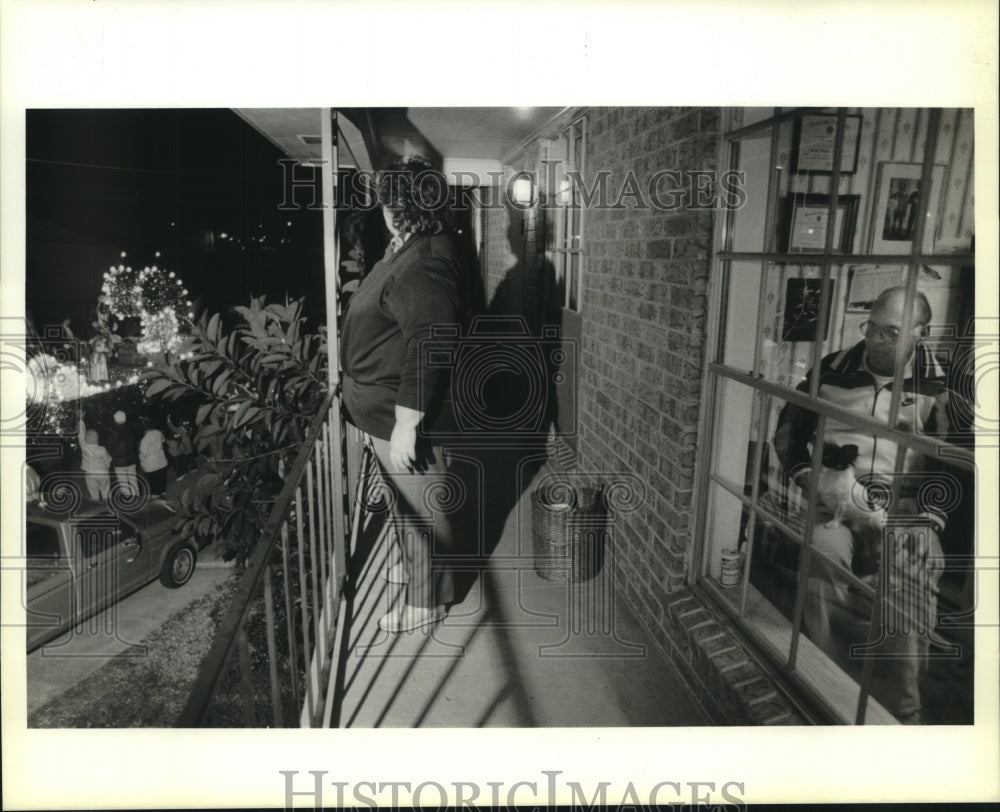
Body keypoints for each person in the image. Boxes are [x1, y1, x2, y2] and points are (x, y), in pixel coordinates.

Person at [773, 287, 956, 724]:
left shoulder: (940, 385)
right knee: (822, 549)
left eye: (890, 332)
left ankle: (902, 708)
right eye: (870, 327)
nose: (876, 339)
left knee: (911, 571)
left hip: (905, 507)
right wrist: (811, 479)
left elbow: (953, 463)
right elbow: (789, 435)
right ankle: (823, 679)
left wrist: (927, 518)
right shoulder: (830, 370)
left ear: (919, 334)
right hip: (833, 497)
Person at [340, 155, 465, 633]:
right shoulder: (404, 248)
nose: (381, 209)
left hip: (402, 414)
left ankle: (427, 600)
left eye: (388, 200)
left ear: (405, 206)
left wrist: (408, 425)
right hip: (380, 410)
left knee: (422, 510)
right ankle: (418, 571)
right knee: (401, 502)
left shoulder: (425, 262)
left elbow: (432, 343)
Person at [106, 410, 139, 498]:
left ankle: (128, 500)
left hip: (119, 463)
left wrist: (114, 457)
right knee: (133, 480)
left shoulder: (112, 433)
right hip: (132, 460)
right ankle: (136, 498)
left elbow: (109, 449)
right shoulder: (131, 431)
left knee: (123, 482)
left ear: (115, 420)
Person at [77, 418, 112, 501]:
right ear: (97, 439)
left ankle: (96, 507)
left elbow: (81, 435)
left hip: (90, 474)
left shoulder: (84, 447)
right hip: (103, 473)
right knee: (106, 491)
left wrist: (81, 421)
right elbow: (108, 460)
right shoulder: (102, 449)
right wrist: (107, 466)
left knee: (93, 492)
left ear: (86, 439)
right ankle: (109, 507)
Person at [139, 417, 169, 498]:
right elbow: (163, 440)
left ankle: (156, 495)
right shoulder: (158, 432)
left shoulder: (145, 439)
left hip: (152, 464)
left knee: (154, 482)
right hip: (161, 459)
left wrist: (141, 460)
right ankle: (163, 492)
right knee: (162, 478)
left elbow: (143, 453)